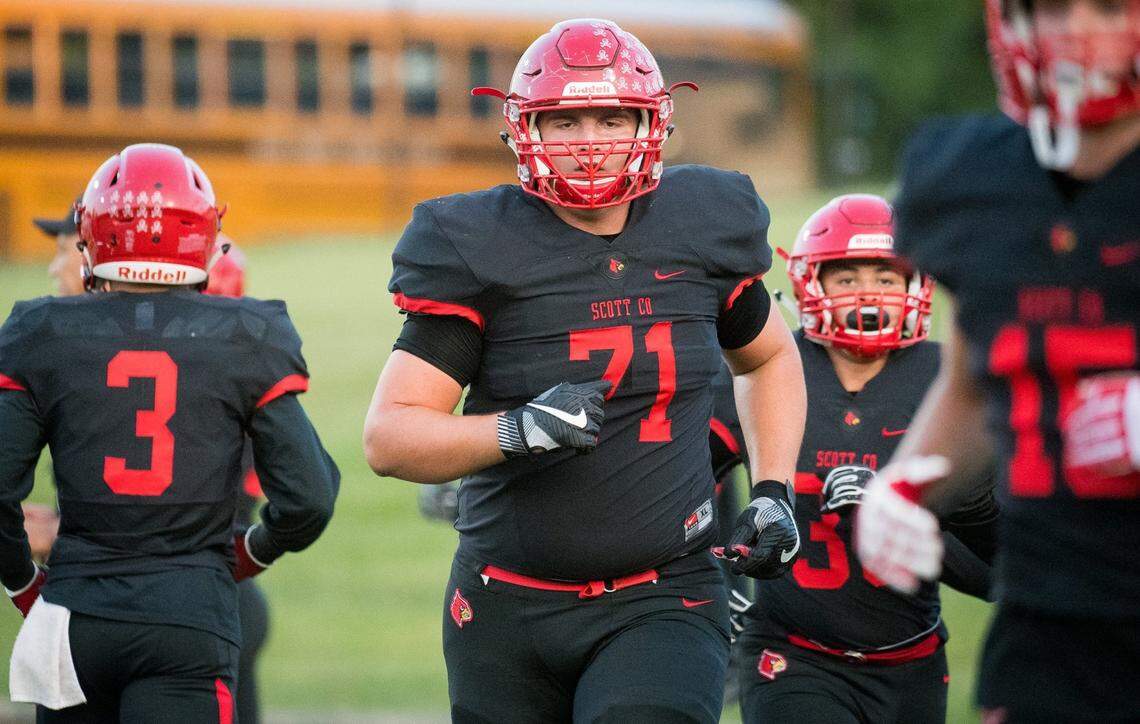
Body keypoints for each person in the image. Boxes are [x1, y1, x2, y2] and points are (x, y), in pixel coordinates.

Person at [363, 18, 806, 722]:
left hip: (666, 592)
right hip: (506, 605)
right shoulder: (478, 246)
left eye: (611, 118)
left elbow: (770, 357)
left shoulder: (702, 224)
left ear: (651, 124)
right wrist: (516, 430)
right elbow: (390, 437)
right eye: (564, 121)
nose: (590, 142)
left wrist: (775, 488)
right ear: (525, 130)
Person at [854, 1, 1140, 722]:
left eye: (1110, 6)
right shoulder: (971, 180)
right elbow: (978, 386)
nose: (1077, 30)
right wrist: (902, 488)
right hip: (1050, 617)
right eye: (1052, 8)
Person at [0, 143, 339, 721]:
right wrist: (253, 551)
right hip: (188, 620)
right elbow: (309, 497)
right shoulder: (248, 335)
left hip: (74, 617)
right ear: (205, 236)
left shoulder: (41, 331)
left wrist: (22, 582)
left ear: (92, 234)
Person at [723, 194, 998, 723]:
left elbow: (995, 573)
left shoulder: (948, 386)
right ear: (809, 283)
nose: (868, 294)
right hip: (791, 654)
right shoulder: (769, 370)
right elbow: (680, 482)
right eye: (847, 278)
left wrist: (904, 514)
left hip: (911, 660)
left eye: (886, 278)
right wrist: (710, 589)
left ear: (916, 285)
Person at [27, 202, 273, 723]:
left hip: (176, 608)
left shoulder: (213, 384)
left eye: (71, 249)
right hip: (197, 608)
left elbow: (195, 511)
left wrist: (63, 539)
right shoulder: (230, 371)